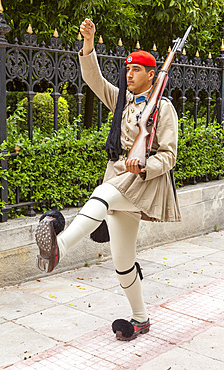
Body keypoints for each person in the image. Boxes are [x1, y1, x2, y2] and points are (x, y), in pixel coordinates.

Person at [35, 18, 181, 341]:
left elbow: (168, 156)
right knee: (122, 261)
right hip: (119, 178)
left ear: (152, 75)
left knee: (102, 195)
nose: (129, 75)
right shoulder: (123, 101)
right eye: (128, 70)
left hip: (142, 184)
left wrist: (143, 165)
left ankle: (57, 247)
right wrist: (88, 44)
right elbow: (93, 79)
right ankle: (141, 319)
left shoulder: (163, 109)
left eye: (137, 71)